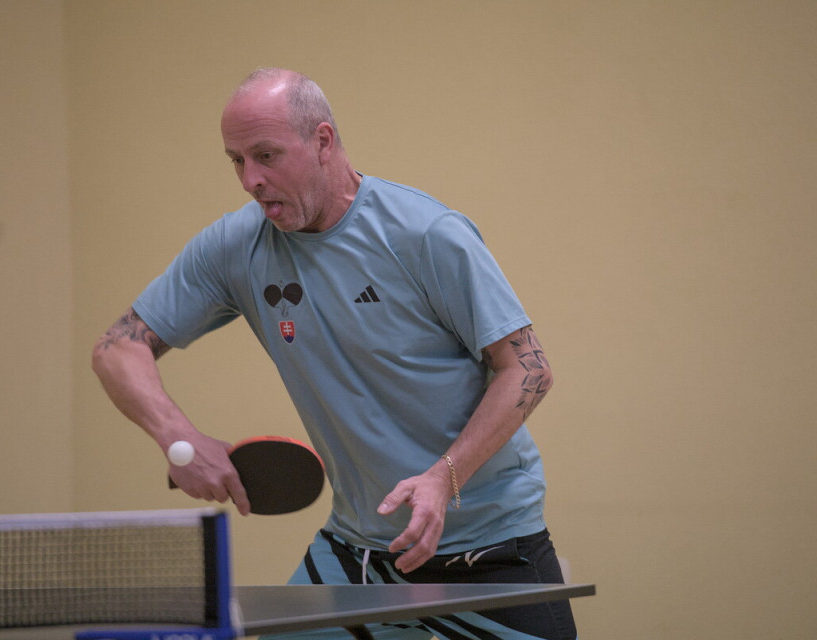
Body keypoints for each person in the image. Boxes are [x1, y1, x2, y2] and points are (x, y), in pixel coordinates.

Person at [92, 67, 577, 640]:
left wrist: (442, 479)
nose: (250, 179)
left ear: (322, 141)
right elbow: (117, 349)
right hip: (356, 553)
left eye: (266, 155)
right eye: (236, 161)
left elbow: (528, 369)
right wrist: (179, 438)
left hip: (489, 550)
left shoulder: (425, 234)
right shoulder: (234, 247)